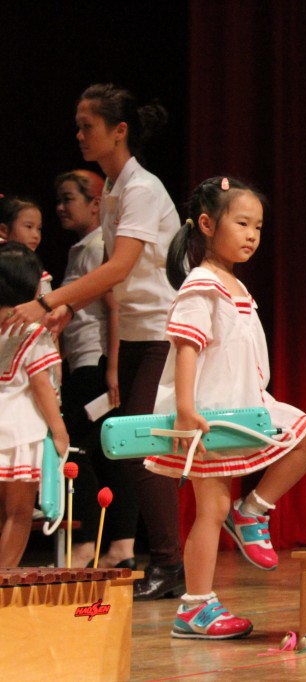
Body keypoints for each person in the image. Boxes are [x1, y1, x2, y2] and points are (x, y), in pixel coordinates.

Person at [0, 83, 184, 599]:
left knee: (144, 447)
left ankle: (169, 564)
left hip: (163, 332)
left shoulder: (142, 189)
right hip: (136, 335)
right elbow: (108, 274)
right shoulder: (116, 191)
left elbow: (121, 266)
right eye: (78, 126)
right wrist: (67, 308)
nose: (79, 134)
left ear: (119, 131)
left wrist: (47, 302)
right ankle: (164, 561)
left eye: (88, 126)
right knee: (127, 447)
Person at [144, 176, 306, 639]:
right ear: (207, 224)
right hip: (210, 412)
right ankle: (195, 606)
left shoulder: (234, 285)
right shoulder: (202, 284)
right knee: (211, 507)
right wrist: (186, 410)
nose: (252, 235)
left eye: (258, 227)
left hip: (246, 403)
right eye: (242, 223)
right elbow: (187, 348)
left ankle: (253, 509)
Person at [53, 169, 126, 568]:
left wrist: (112, 369)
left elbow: (115, 310)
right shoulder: (80, 248)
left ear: (95, 204)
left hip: (95, 364)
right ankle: (118, 547)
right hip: (81, 363)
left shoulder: (100, 246)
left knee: (75, 450)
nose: (61, 207)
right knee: (99, 455)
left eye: (69, 198)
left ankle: (87, 544)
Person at [0, 243, 67, 566]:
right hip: (21, 433)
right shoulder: (31, 332)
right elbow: (42, 385)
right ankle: (3, 577)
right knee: (19, 513)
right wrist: (59, 430)